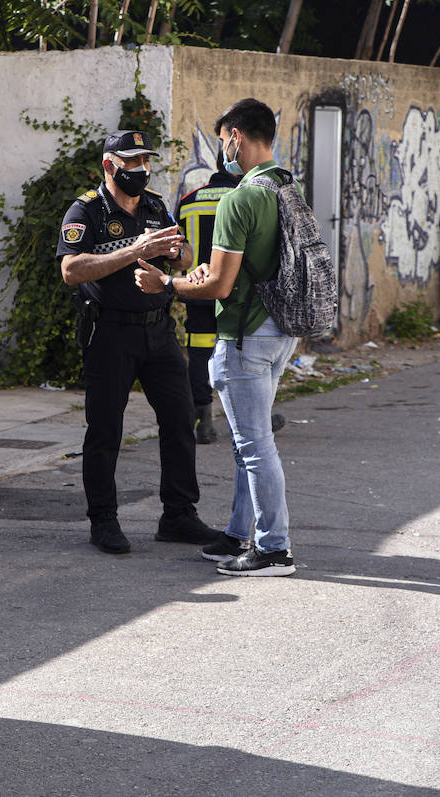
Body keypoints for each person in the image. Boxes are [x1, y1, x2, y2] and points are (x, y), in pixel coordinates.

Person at [136, 99, 299, 577]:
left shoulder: (239, 198)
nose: (224, 145)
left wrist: (166, 284)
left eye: (225, 136)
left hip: (244, 335)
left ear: (236, 137)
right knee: (251, 441)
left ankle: (273, 548)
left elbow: (217, 287)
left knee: (254, 445)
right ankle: (236, 535)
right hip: (279, 329)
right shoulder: (285, 186)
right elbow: (254, 266)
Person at [57, 130, 224, 555]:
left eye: (145, 161)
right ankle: (104, 521)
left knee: (180, 417)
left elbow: (183, 255)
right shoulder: (87, 211)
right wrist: (135, 250)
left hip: (158, 329)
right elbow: (72, 270)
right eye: (132, 162)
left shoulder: (153, 206)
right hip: (110, 332)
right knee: (105, 429)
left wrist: (178, 252)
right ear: (110, 166)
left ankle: (179, 515)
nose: (142, 169)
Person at [176, 169, 285, 442]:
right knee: (245, 355)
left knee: (200, 354)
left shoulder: (189, 200)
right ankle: (256, 417)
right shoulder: (246, 197)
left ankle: (204, 422)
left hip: (198, 291)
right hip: (239, 294)